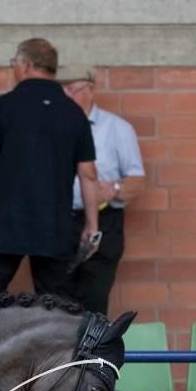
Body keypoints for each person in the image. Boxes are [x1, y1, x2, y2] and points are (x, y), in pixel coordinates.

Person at [0, 38, 98, 300]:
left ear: (25, 65)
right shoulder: (74, 113)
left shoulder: (3, 107)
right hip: (54, 224)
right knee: (55, 305)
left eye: (14, 63)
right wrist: (92, 225)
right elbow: (89, 175)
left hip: (5, 221)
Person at [59, 65, 146, 315]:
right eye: (61, 90)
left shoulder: (117, 128)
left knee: (94, 301)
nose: (66, 96)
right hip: (59, 221)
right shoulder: (52, 127)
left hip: (103, 220)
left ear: (90, 90)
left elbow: (137, 180)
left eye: (72, 89)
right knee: (56, 304)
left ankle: (92, 342)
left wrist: (114, 188)